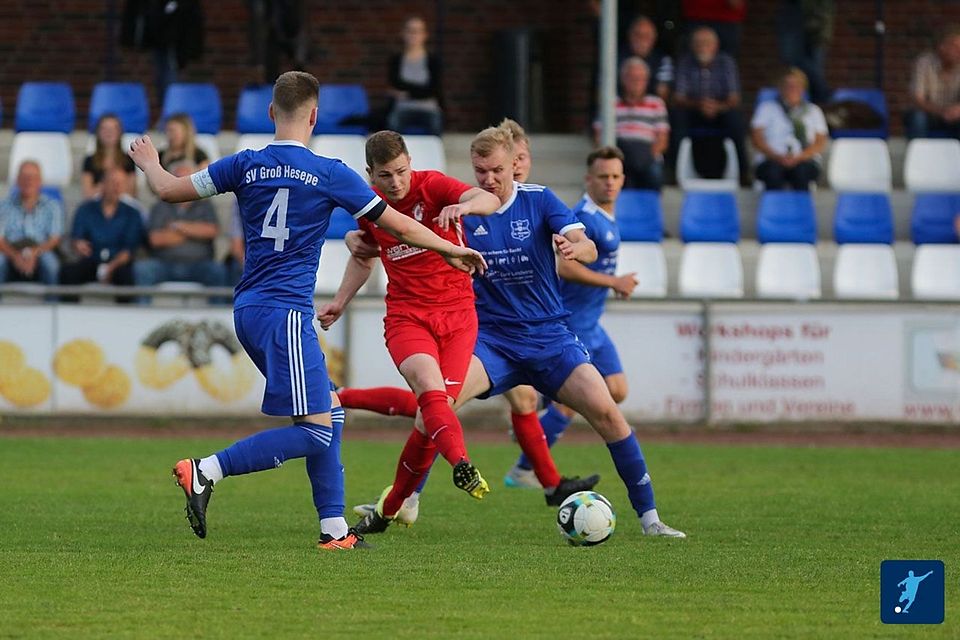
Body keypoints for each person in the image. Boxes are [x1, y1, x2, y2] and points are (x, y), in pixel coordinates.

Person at [128, 71, 486, 550]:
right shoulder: (330, 174)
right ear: (314, 116)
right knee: (316, 433)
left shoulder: (245, 164)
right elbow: (398, 227)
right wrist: (451, 250)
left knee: (330, 410)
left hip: (249, 310)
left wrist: (150, 163)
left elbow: (169, 191)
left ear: (272, 113)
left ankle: (334, 530)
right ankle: (205, 470)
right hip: (286, 314)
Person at [346, 124, 685, 538]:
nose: (489, 179)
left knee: (608, 411)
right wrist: (354, 237)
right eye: (480, 171)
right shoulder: (459, 210)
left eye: (497, 170)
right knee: (434, 411)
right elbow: (397, 231)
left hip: (550, 338)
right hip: (491, 341)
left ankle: (650, 519)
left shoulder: (540, 200)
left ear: (515, 165)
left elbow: (585, 243)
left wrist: (579, 249)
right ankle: (400, 502)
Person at [326, 130, 598, 524]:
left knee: (436, 408)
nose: (397, 182)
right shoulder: (373, 207)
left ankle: (389, 502)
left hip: (461, 318)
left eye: (402, 171)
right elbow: (366, 253)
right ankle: (465, 466)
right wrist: (340, 300)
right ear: (371, 175)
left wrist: (466, 206)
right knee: (432, 397)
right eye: (386, 176)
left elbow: (486, 198)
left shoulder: (435, 186)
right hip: (409, 316)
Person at [505, 146, 640, 484]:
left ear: (623, 179)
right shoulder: (584, 216)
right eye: (603, 177)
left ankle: (536, 428)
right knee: (579, 400)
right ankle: (525, 467)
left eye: (615, 176)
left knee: (618, 389)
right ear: (588, 179)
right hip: (572, 320)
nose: (609, 183)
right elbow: (564, 264)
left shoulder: (607, 217)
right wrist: (614, 281)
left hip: (592, 322)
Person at [672, 25, 749, 183]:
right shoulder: (685, 62)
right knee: (677, 118)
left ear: (716, 45)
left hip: (721, 111)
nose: (702, 47)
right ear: (692, 46)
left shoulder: (726, 62)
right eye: (698, 43)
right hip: (693, 110)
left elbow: (734, 98)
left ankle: (744, 172)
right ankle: (673, 171)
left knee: (735, 120)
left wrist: (716, 107)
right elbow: (679, 97)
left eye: (707, 43)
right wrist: (700, 105)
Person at [134, 162, 228, 290]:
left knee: (217, 271)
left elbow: (211, 231)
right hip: (164, 264)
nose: (183, 185)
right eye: (178, 179)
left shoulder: (205, 205)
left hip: (199, 265)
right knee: (143, 270)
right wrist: (195, 233)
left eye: (187, 180)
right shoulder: (160, 206)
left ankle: (219, 310)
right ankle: (142, 310)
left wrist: (178, 227)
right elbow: (155, 240)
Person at [59, 167, 143, 293]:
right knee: (68, 273)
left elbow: (128, 250)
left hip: (118, 263)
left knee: (128, 277)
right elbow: (76, 238)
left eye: (120, 183)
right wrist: (78, 244)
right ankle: (67, 311)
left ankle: (127, 312)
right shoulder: (85, 209)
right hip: (91, 260)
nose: (117, 187)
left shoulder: (132, 213)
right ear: (102, 185)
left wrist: (110, 268)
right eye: (113, 182)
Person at [750, 68, 828, 190]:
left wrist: (798, 158)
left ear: (803, 88)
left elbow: (820, 143)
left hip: (804, 160)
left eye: (796, 85)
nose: (792, 89)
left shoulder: (814, 111)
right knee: (773, 173)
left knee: (801, 172)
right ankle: (773, 208)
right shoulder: (767, 108)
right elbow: (757, 139)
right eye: (788, 85)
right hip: (772, 160)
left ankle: (801, 208)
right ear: (780, 88)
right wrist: (778, 157)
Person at [601, 58, 669, 190]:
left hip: (648, 154)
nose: (636, 82)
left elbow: (662, 140)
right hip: (619, 155)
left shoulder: (656, 103)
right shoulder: (611, 103)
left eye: (640, 78)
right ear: (623, 79)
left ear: (646, 81)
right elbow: (600, 135)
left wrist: (646, 159)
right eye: (631, 78)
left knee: (654, 174)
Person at [0, 161, 63, 286]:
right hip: (11, 249)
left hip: (41, 249)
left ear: (40, 181)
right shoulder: (4, 206)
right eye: (24, 177)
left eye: (33, 177)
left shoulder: (52, 206)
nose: (28, 181)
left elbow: (54, 238)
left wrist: (34, 253)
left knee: (52, 265)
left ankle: (53, 304)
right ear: (17, 180)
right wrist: (15, 256)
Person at [386, 17, 443, 135]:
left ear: (424, 35)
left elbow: (433, 89)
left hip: (429, 109)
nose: (413, 35)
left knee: (435, 126)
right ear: (403, 34)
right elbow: (395, 83)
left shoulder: (432, 60)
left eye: (417, 31)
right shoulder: (396, 60)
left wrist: (407, 93)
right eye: (410, 31)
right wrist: (421, 89)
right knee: (393, 127)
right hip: (402, 108)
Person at [905, 25, 960, 140]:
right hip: (930, 114)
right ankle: (919, 156)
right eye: (955, 47)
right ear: (942, 47)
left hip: (955, 115)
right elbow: (918, 99)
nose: (959, 51)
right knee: (917, 117)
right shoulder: (924, 63)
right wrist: (941, 112)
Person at [776, 0, 834, 104]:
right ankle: (822, 95)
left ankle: (821, 101)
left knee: (813, 68)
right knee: (792, 61)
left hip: (818, 25)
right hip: (795, 19)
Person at [82, 114, 138, 200]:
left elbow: (132, 193)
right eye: (104, 128)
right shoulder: (89, 161)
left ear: (120, 132)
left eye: (113, 129)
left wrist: (103, 187)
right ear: (98, 132)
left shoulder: (129, 159)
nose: (109, 132)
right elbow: (87, 194)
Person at [620, 15, 673, 100]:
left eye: (647, 35)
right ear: (629, 36)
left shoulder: (662, 59)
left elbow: (662, 94)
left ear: (654, 38)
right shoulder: (615, 57)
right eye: (637, 35)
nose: (642, 39)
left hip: (650, 108)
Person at [681, 0, 746, 59]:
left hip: (727, 21)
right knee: (689, 61)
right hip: (695, 17)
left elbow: (736, 4)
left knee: (726, 61)